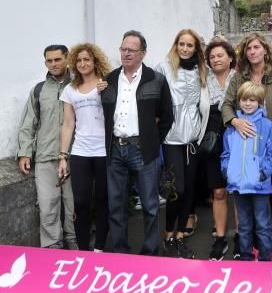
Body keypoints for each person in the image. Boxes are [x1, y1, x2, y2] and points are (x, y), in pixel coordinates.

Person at [222, 32, 272, 261]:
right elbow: (226, 106)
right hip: (243, 149)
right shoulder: (238, 78)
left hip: (270, 148)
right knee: (247, 207)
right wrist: (235, 121)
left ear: (265, 50)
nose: (252, 52)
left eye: (256, 47)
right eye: (248, 49)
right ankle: (251, 248)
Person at [100, 30, 173, 256]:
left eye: (131, 50)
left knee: (151, 206)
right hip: (115, 149)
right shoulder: (109, 80)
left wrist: (151, 139)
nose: (126, 53)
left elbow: (167, 115)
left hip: (143, 149)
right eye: (123, 49)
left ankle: (150, 253)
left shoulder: (156, 79)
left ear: (143, 53)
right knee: (116, 205)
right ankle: (120, 251)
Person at [156, 29, 209, 259]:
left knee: (190, 191)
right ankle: (168, 235)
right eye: (182, 44)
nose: (185, 49)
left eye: (190, 45)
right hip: (172, 138)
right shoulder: (164, 67)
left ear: (196, 48)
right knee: (177, 190)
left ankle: (179, 238)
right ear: (175, 45)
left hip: (193, 140)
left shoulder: (202, 70)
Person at [17, 45, 77, 249]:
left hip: (73, 156)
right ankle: (52, 250)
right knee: (48, 207)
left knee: (72, 206)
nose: (53, 64)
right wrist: (24, 152)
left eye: (58, 59)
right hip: (44, 157)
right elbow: (28, 122)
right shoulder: (39, 89)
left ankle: (74, 244)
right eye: (49, 61)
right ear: (45, 63)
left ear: (67, 59)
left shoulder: (78, 85)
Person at [58, 43, 111, 251]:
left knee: (102, 199)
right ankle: (83, 249)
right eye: (78, 60)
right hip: (80, 151)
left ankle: (99, 247)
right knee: (80, 201)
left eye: (87, 59)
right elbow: (68, 123)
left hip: (104, 151)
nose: (82, 63)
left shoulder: (106, 84)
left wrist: (105, 92)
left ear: (95, 61)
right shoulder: (70, 90)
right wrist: (63, 155)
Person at [221, 83, 272, 260]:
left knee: (263, 224)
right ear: (238, 102)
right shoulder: (232, 128)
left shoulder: (267, 126)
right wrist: (227, 171)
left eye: (252, 100)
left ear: (259, 102)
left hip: (259, 186)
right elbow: (226, 153)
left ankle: (265, 259)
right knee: (244, 225)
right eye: (243, 100)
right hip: (238, 186)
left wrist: (261, 174)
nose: (247, 103)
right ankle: (246, 258)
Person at [203, 37, 237, 260]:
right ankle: (220, 238)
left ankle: (242, 236)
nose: (216, 59)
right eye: (212, 56)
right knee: (219, 191)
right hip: (213, 141)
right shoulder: (203, 81)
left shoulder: (239, 79)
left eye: (220, 55)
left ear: (231, 57)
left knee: (239, 191)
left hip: (237, 138)